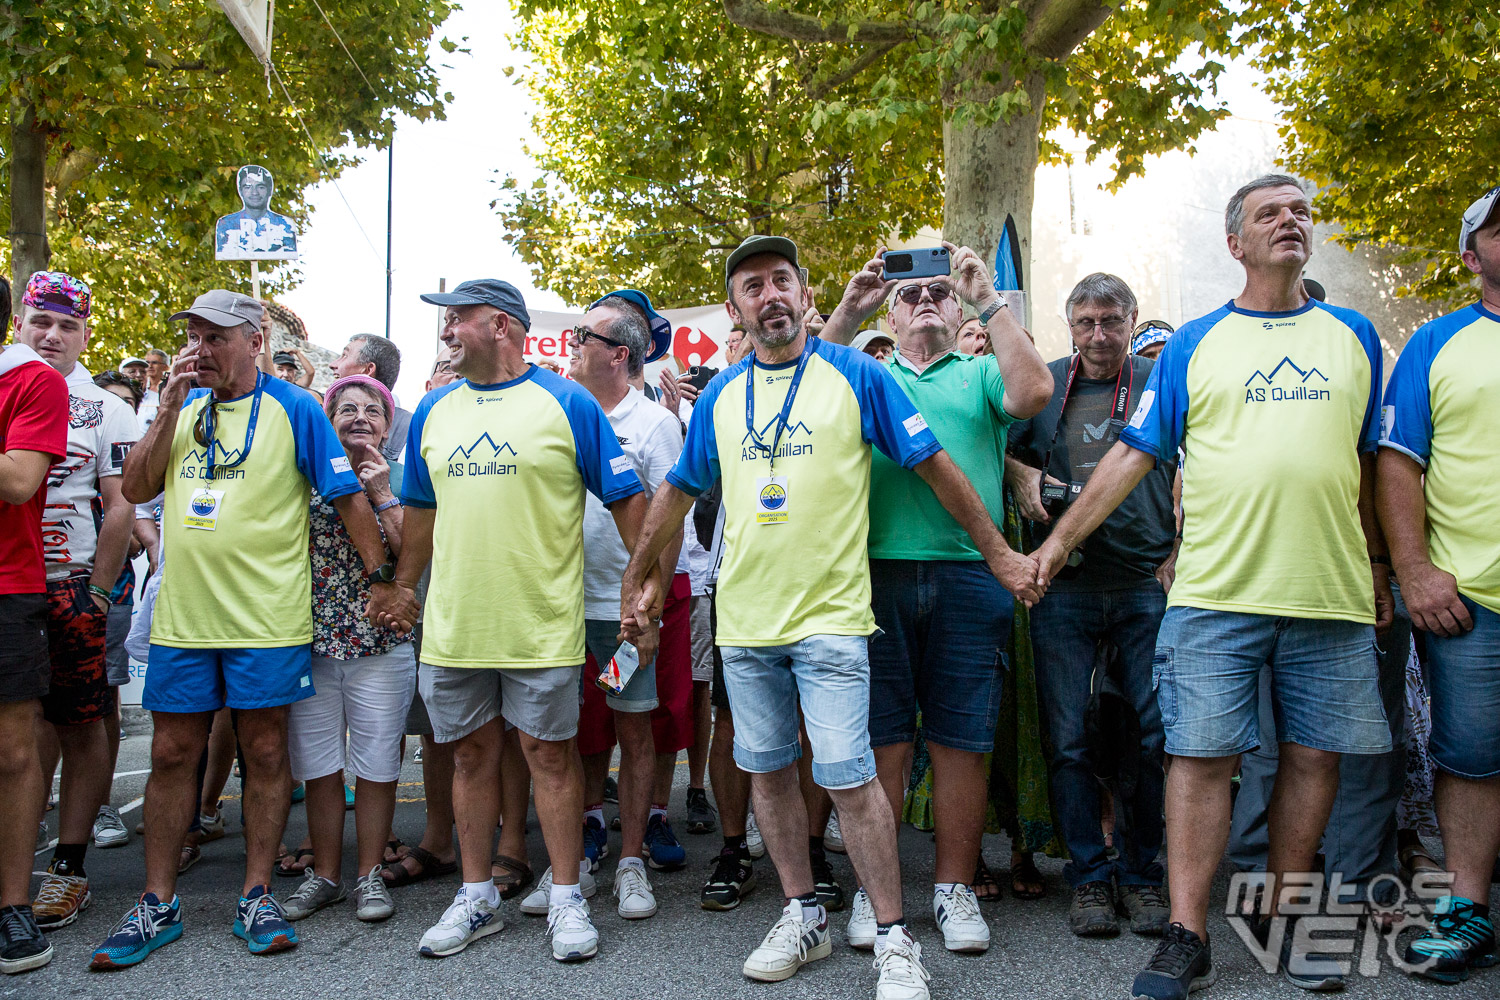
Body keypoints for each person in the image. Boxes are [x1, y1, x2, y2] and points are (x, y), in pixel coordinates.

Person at [621, 234, 1045, 1000]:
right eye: (753, 286)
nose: (770, 295)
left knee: (850, 777)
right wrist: (638, 581)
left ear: (806, 294)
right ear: (735, 310)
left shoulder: (856, 374)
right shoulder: (719, 395)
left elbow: (937, 468)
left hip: (833, 617)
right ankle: (803, 912)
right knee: (770, 774)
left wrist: (1000, 556)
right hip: (747, 622)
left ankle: (893, 936)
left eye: (782, 280)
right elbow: (678, 490)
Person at [1035, 175, 1394, 999]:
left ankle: (1286, 920)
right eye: (1270, 213)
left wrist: (1380, 565)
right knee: (1198, 759)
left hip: (1328, 590)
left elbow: (1372, 461)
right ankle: (1186, 935)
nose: (1290, 221)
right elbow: (1133, 455)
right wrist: (1057, 544)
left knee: (1313, 757)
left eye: (1300, 211)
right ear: (1235, 243)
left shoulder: (1354, 334)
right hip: (1214, 594)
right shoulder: (1195, 343)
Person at [93, 289, 410, 968]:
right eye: (194, 336)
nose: (200, 349)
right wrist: (167, 409)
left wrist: (384, 580)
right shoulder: (182, 406)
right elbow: (138, 488)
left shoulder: (295, 408)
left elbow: (348, 499)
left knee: (266, 753)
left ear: (253, 341)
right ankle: (156, 901)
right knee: (173, 753)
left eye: (216, 337)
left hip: (268, 619)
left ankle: (257, 894)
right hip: (186, 618)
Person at [380, 278, 651, 963]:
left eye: (458, 319)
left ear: (501, 325)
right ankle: (476, 896)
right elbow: (421, 514)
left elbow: (629, 502)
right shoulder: (434, 409)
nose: (447, 331)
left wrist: (639, 593)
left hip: (540, 624)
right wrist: (403, 586)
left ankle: (567, 898)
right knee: (470, 757)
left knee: (550, 758)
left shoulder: (568, 403)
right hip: (455, 627)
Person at [819, 241, 1052, 955]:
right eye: (910, 295)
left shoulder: (980, 371)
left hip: (968, 575)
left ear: (956, 313)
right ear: (890, 317)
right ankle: (877, 889)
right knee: (881, 745)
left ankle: (953, 889)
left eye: (939, 293)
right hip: (875, 576)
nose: (926, 300)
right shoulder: (867, 371)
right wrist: (848, 309)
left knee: (961, 743)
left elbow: (1034, 393)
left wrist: (988, 298)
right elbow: (805, 378)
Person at [1005, 273, 1175, 938]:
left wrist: (1181, 550)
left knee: (1151, 737)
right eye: (1086, 323)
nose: (1099, 335)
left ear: (1132, 320)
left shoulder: (1161, 380)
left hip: (1142, 585)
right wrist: (1020, 473)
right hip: (1063, 587)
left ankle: (1142, 874)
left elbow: (1204, 463)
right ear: (1069, 325)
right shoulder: (1045, 386)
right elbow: (996, 452)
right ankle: (1089, 877)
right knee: (1069, 739)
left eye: (1111, 321)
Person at [1377, 184, 1500, 983]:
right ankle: (1467, 911)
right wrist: (1414, 571)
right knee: (1471, 758)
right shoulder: (1436, 343)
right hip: (1474, 602)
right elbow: (1398, 463)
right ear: (1470, 255)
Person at [13, 272, 141, 931]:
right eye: (42, 322)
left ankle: (69, 865)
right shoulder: (8, 387)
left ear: (86, 335)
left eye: (68, 326)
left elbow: (122, 504)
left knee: (81, 722)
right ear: (19, 321)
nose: (52, 336)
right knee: (19, 728)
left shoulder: (104, 408)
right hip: (10, 586)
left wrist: (97, 588)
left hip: (70, 585)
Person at [566, 293, 692, 920]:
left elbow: (670, 519)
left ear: (618, 355)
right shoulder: (562, 411)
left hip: (624, 613)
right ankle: (585, 836)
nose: (571, 345)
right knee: (577, 730)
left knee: (633, 726)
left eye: (583, 337)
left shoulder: (655, 424)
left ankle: (632, 859)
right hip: (563, 606)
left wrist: (649, 603)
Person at [281, 375, 416, 925]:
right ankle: (326, 876)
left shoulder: (405, 477)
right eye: (347, 410)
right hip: (312, 644)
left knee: (378, 766)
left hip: (381, 646)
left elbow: (414, 554)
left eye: (372, 411)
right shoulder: (303, 476)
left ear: (387, 428)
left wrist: (381, 493)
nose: (360, 418)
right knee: (319, 767)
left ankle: (368, 876)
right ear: (327, 421)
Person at [0, 280, 70, 975]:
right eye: (39, 320)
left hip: (7, 585)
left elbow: (19, 481)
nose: (51, 333)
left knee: (13, 753)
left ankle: (11, 904)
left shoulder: (32, 380)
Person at [383, 349, 463, 894]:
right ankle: (437, 840)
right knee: (434, 730)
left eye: (462, 369)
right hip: (426, 607)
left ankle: (509, 842)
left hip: (486, 600)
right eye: (444, 369)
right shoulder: (414, 445)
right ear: (428, 383)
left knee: (504, 735)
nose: (453, 377)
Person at [88, 370, 147, 850]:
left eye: (126, 402)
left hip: (108, 592)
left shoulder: (135, 454)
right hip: (39, 583)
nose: (115, 408)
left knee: (102, 695)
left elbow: (133, 535)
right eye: (108, 399)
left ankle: (101, 804)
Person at [330, 334, 410, 462]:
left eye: (373, 411)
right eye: (348, 410)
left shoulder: (411, 429)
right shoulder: (316, 466)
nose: (333, 364)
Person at [214, 164, 298, 258]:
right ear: (240, 190)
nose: (254, 192)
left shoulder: (286, 225)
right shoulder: (226, 224)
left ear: (269, 190)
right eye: (247, 187)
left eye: (260, 187)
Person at [138, 349, 169, 429]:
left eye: (154, 363)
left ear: (165, 367)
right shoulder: (140, 387)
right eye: (147, 362)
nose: (150, 366)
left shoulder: (168, 388)